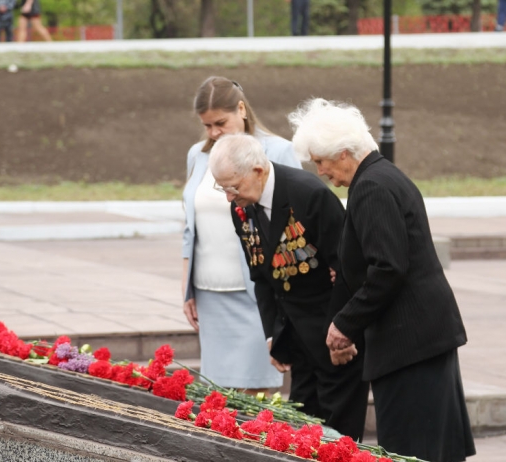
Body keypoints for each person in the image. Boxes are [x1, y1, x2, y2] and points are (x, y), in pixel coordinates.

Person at [289, 98, 475, 461]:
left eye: (320, 161)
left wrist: (344, 324)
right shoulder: (381, 175)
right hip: (421, 340)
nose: (320, 171)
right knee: (431, 448)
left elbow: (388, 268)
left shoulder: (371, 186)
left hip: (411, 345)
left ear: (343, 153)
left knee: (414, 450)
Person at [208, 133, 369, 440]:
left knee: (340, 438)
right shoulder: (242, 207)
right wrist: (272, 334)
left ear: (257, 171)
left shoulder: (308, 195)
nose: (229, 196)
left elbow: (348, 269)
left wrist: (343, 333)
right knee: (302, 434)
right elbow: (260, 277)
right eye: (222, 187)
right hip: (296, 338)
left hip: (335, 337)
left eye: (232, 186)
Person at [182, 77, 299, 395]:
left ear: (242, 109)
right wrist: (187, 286)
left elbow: (294, 220)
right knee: (217, 395)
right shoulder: (198, 155)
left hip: (255, 295)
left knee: (255, 394)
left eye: (220, 122)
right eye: (207, 126)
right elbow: (190, 226)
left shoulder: (277, 150)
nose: (213, 133)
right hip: (210, 294)